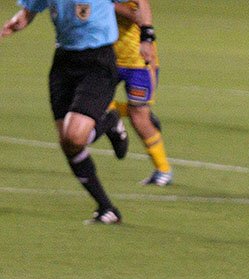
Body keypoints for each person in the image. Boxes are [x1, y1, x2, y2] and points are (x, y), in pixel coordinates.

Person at [2, 0, 154, 224]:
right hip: (63, 64)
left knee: (74, 136)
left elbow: (141, 3)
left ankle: (109, 122)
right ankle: (106, 208)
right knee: (68, 143)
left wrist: (147, 37)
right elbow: (28, 11)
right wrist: (15, 24)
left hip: (98, 63)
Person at [111, 0, 172, 186]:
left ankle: (163, 170)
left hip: (138, 62)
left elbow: (136, 16)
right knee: (87, 102)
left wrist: (106, 6)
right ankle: (131, 114)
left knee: (139, 117)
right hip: (107, 57)